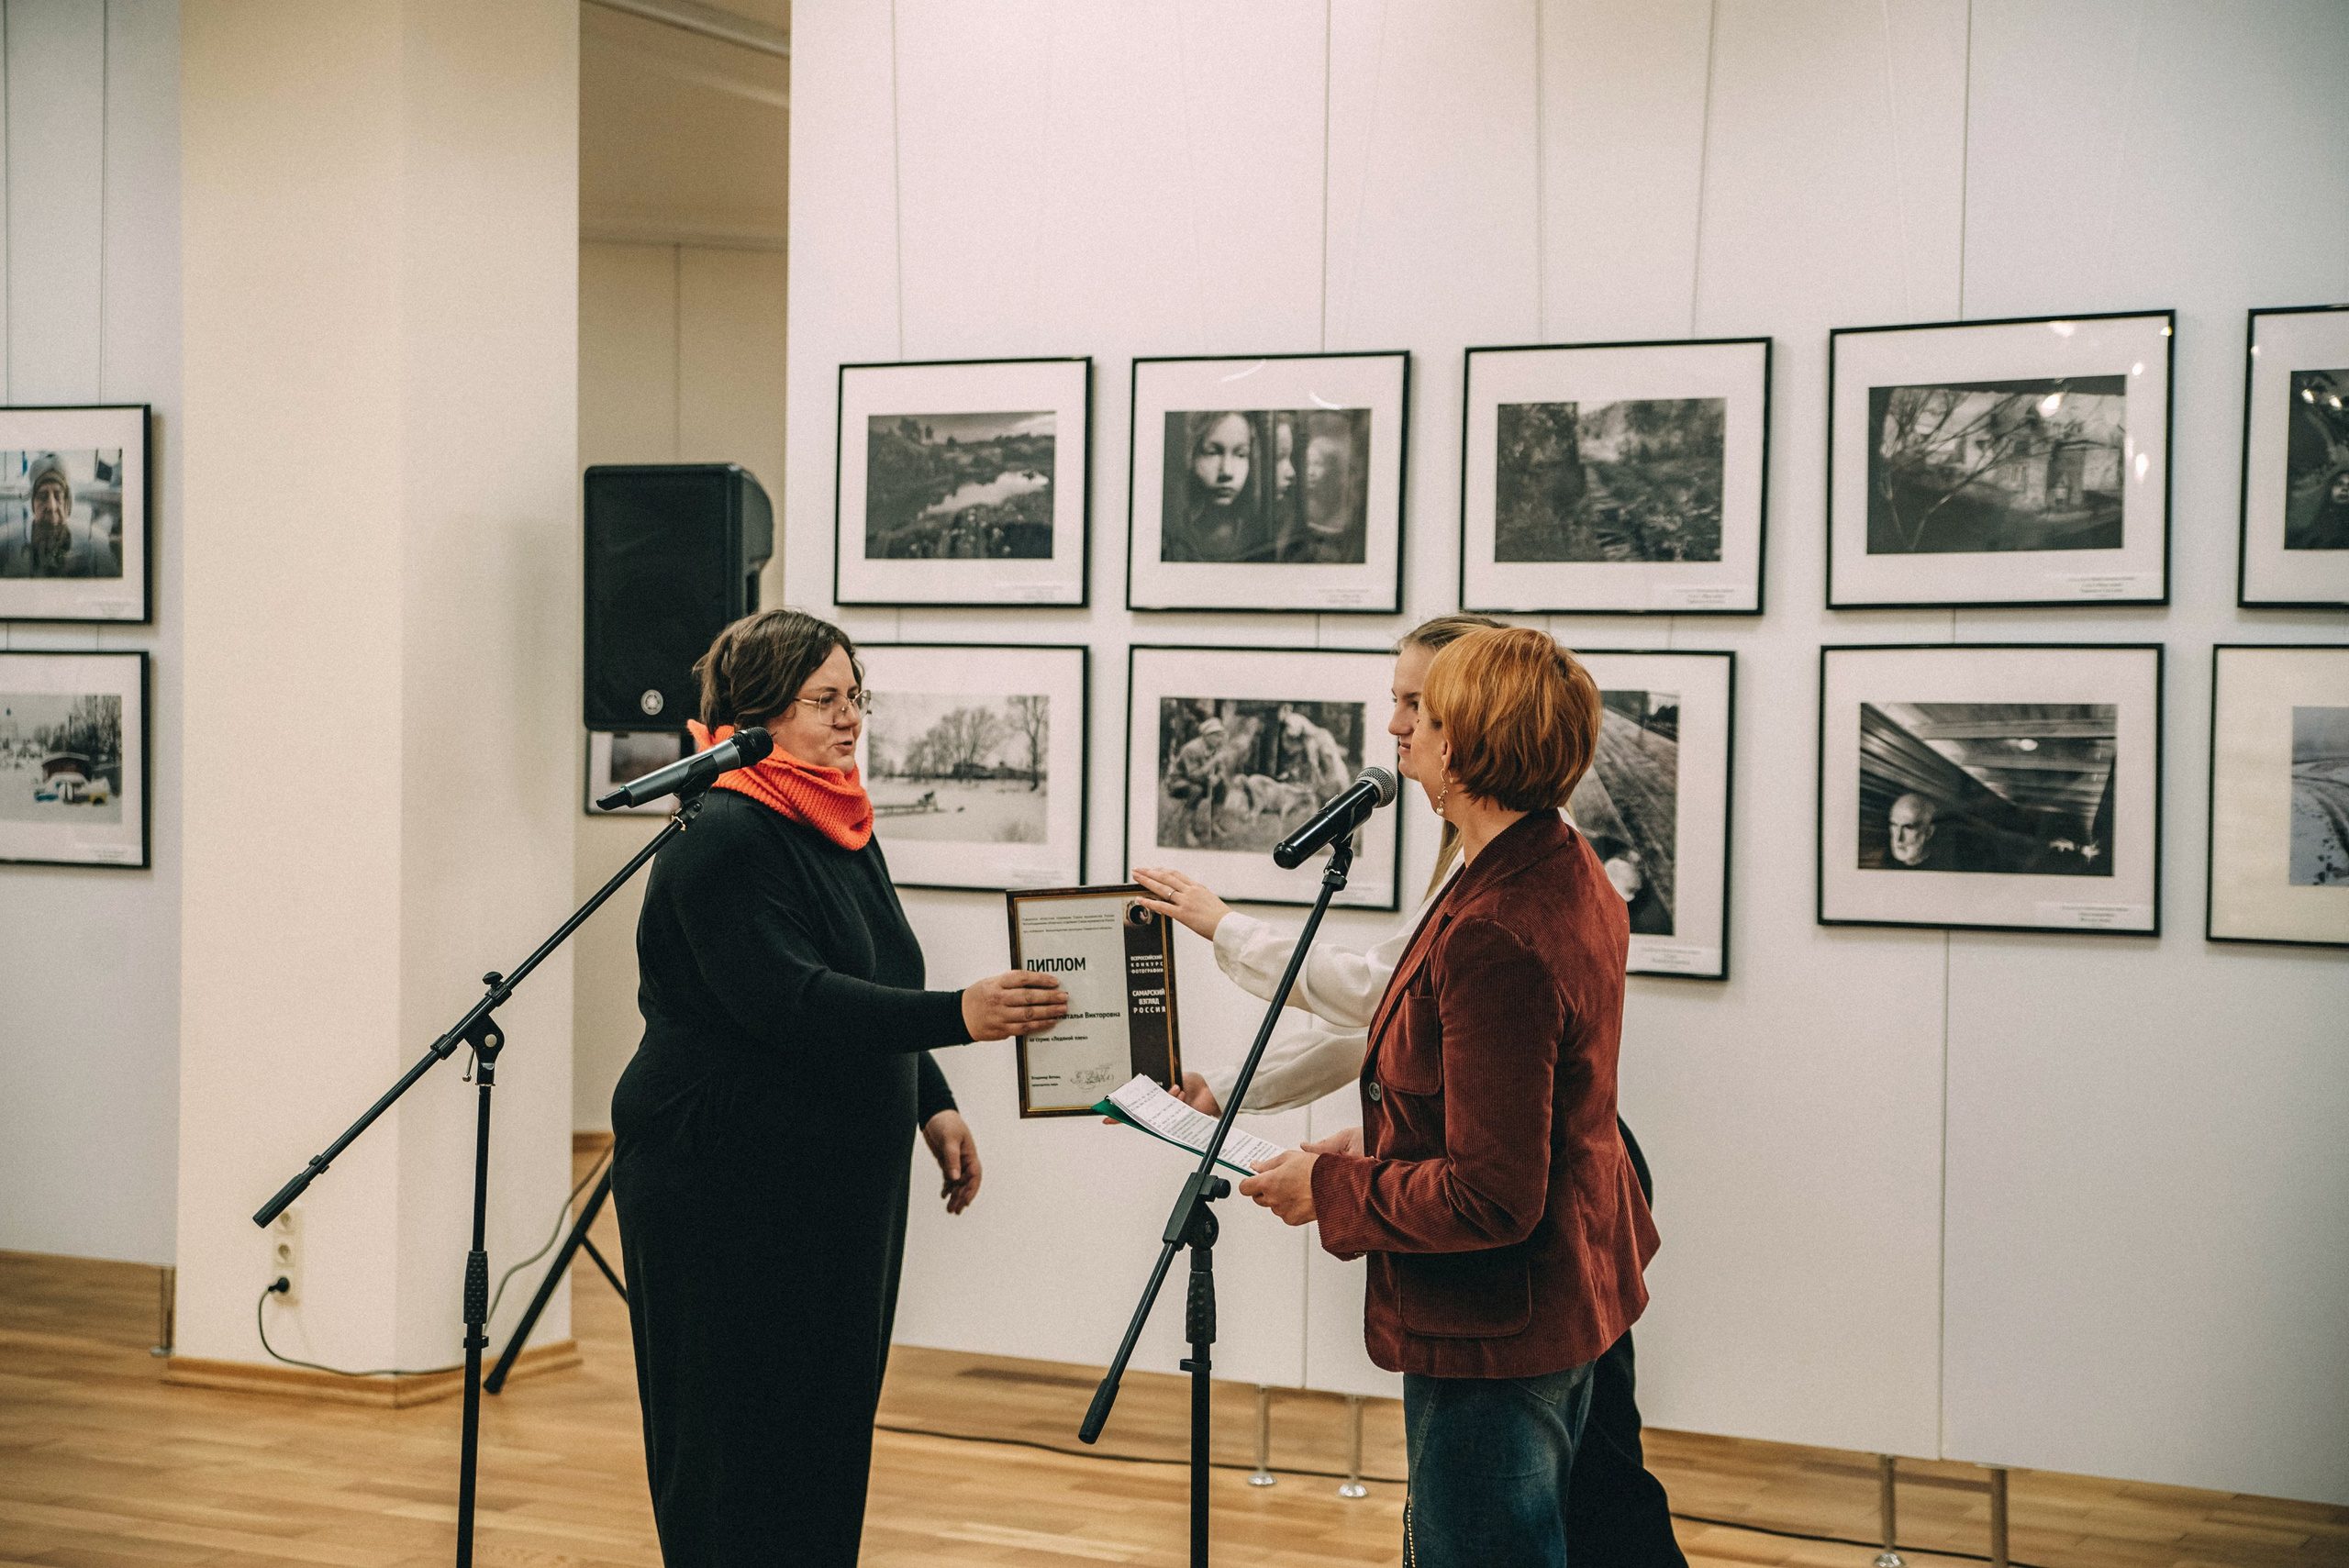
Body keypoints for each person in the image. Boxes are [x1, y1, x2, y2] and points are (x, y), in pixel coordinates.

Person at [1132, 613, 1687, 1568]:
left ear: (1465, 743)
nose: (1397, 733)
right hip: (1559, 1284)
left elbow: (1488, 1194)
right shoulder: (1553, 864)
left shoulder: (1498, 926)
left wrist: (1329, 1189)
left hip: (1498, 1323)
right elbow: (1441, 1057)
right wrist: (1363, 1143)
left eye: (1419, 712)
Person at [610, 608, 1070, 1568]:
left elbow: (877, 970)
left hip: (828, 1180)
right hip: (727, 1177)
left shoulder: (836, 818)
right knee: (741, 1438)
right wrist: (959, 1015)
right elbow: (793, 1000)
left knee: (821, 1425)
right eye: (825, 699)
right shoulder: (724, 830)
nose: (850, 717)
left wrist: (929, 1097)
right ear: (756, 712)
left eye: (856, 696)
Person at [1163, 409, 1270, 562]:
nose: (1227, 471)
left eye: (1240, 454)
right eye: (1212, 452)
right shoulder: (1172, 538)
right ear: (1191, 456)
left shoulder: (1260, 535)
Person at [0, 453, 116, 578]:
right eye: (42, 496)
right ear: (33, 504)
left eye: (58, 496)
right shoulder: (9, 534)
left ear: (67, 503)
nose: (52, 507)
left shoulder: (94, 538)